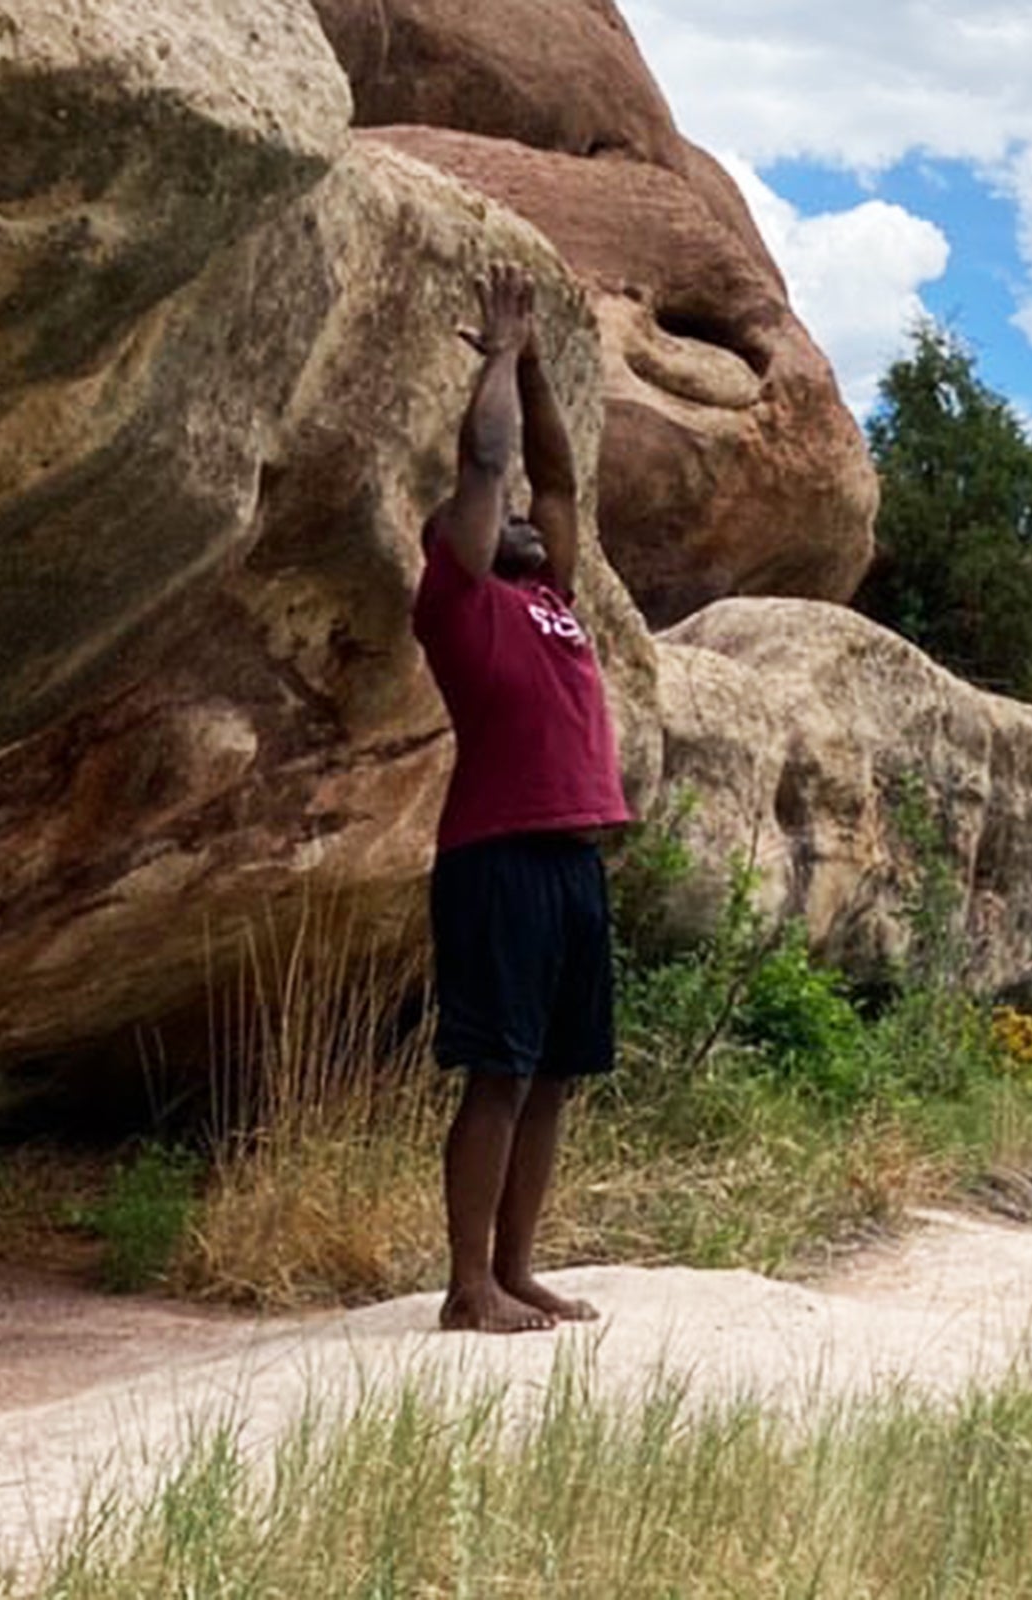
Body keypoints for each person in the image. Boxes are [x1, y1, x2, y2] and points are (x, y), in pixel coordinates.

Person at [412, 262, 632, 1333]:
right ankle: (467, 1286)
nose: (531, 525)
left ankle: (517, 1267)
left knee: (552, 1076)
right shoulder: (459, 598)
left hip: (570, 859)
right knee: (498, 1074)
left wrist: (541, 365)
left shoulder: (549, 593)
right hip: (494, 856)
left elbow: (556, 478)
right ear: (458, 538)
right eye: (504, 522)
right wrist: (497, 355)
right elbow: (489, 461)